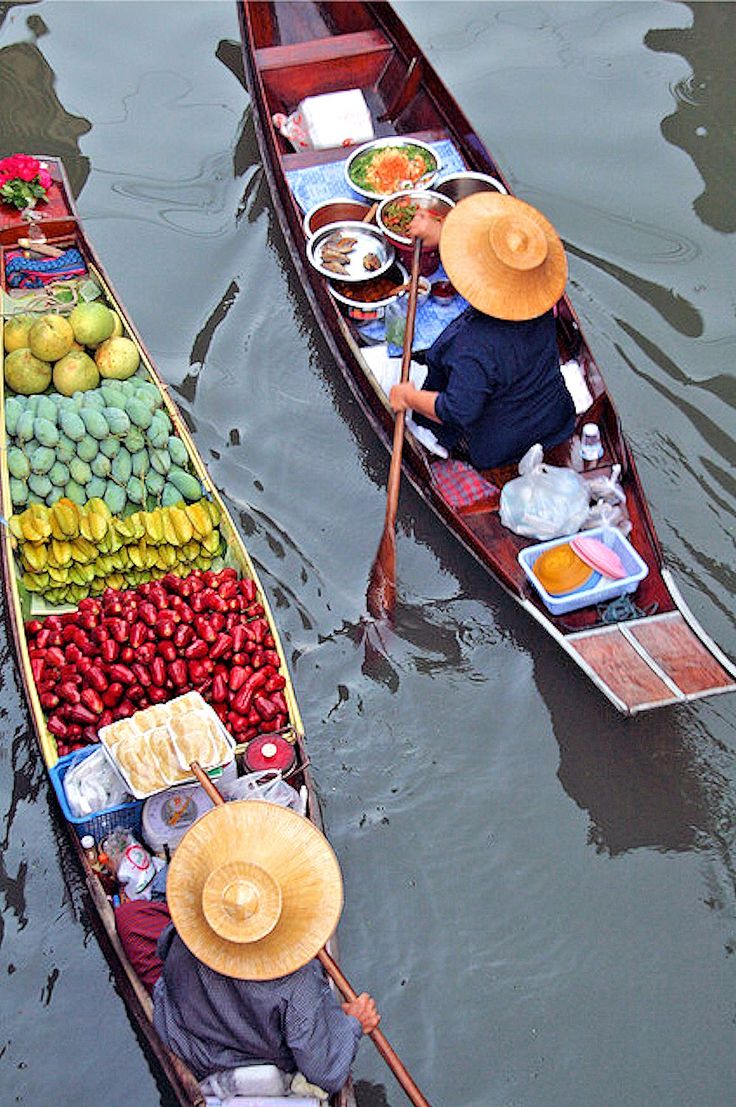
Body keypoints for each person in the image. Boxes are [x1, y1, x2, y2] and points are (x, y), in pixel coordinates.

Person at [115, 799, 379, 1097]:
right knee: (318, 1035)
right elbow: (325, 1072)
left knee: (129, 917)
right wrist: (354, 1023)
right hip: (248, 1057)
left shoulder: (191, 927)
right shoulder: (299, 981)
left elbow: (163, 949)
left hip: (186, 1035)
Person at [389, 192, 576, 472]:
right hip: (555, 417)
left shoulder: (473, 345)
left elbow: (457, 411)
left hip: (498, 445)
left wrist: (407, 397)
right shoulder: (538, 300)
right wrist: (439, 232)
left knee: (398, 382)